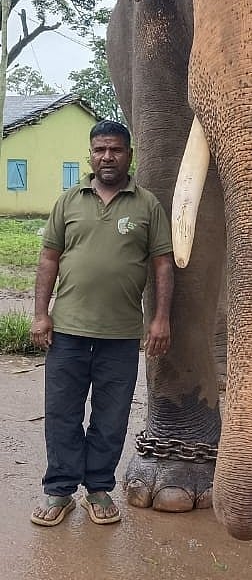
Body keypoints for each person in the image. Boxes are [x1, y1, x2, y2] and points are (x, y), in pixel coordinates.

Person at [30, 120, 174, 527]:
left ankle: (97, 489)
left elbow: (163, 265)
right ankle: (60, 490)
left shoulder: (147, 205)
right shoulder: (69, 201)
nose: (107, 157)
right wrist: (41, 314)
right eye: (100, 150)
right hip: (67, 332)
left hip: (121, 335)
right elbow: (48, 260)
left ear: (129, 155)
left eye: (115, 150)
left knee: (111, 417)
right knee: (62, 413)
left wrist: (160, 318)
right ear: (90, 155)